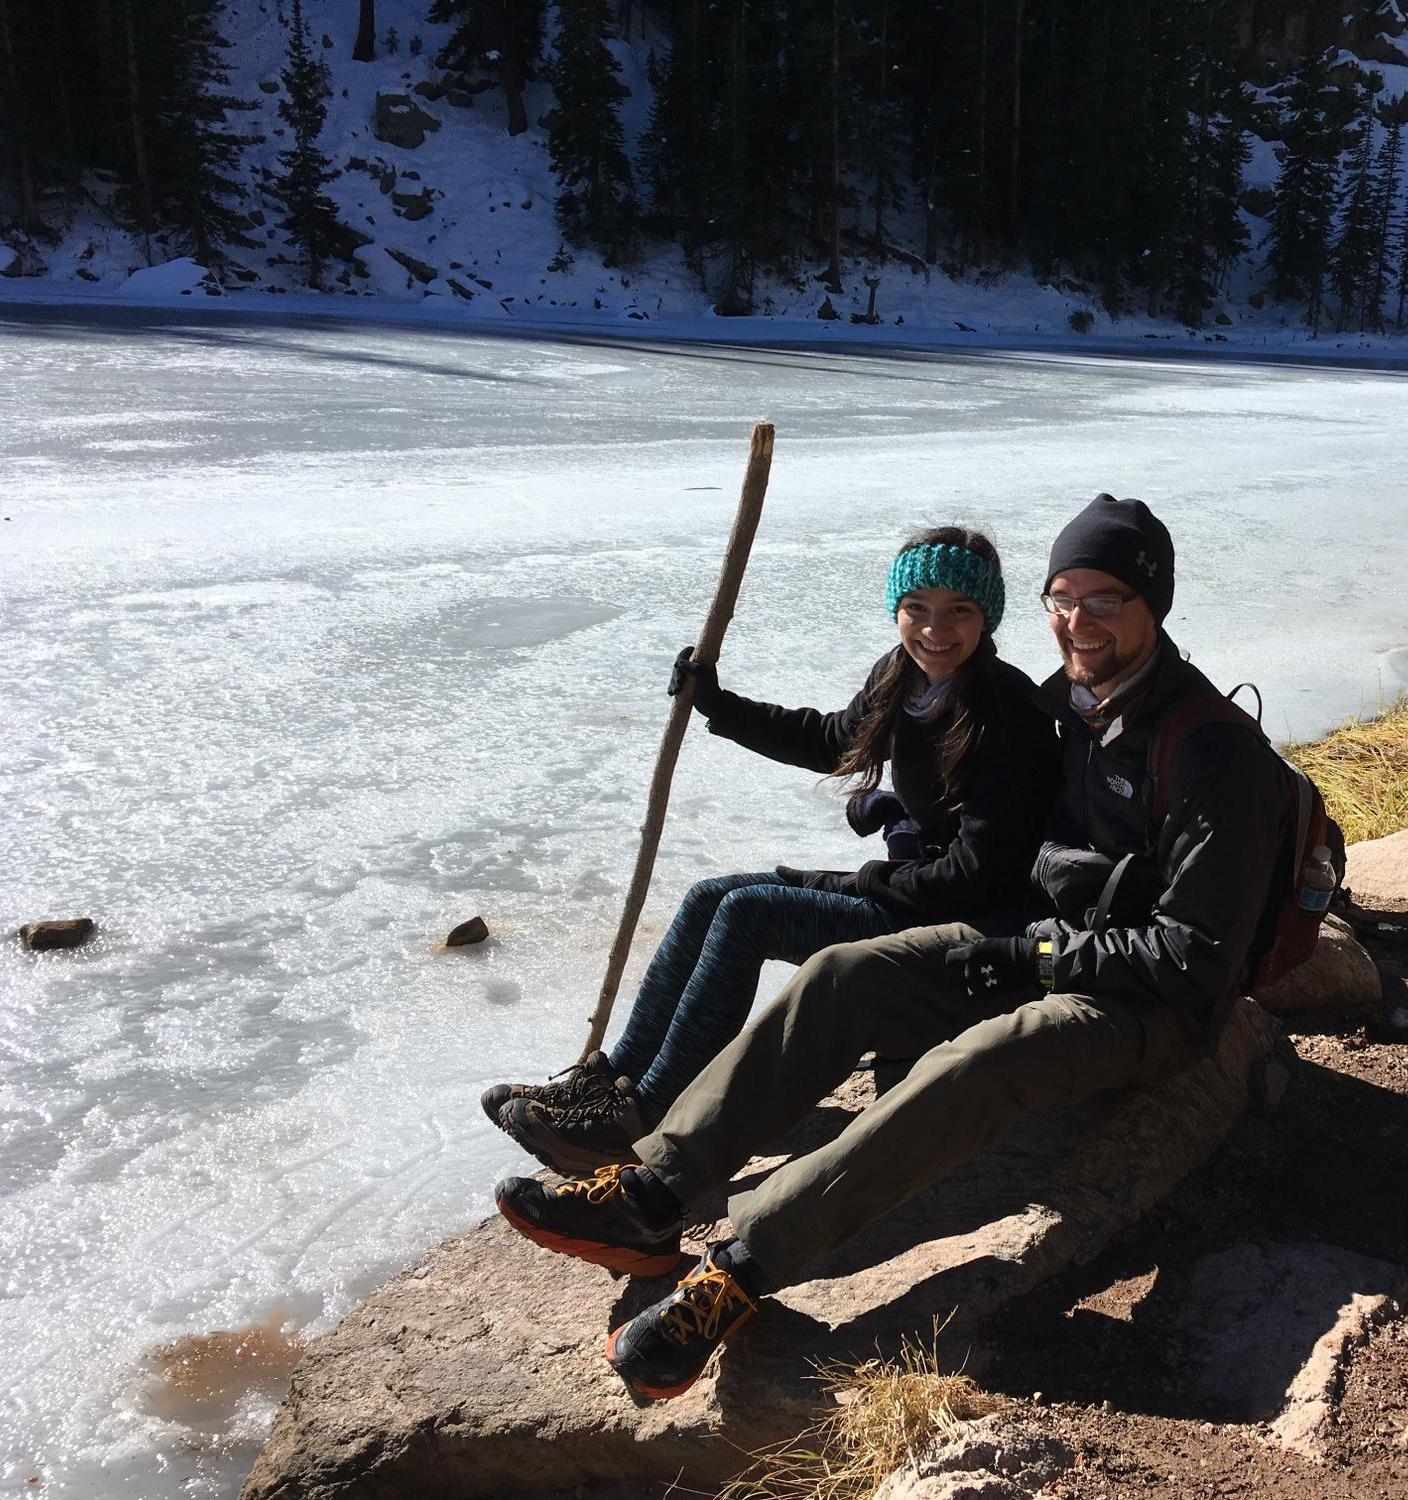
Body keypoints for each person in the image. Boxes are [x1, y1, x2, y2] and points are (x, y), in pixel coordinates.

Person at [494, 493, 1295, 1404]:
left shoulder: (1208, 752)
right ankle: (651, 1193)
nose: (1079, 621)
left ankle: (741, 1269)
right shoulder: (1064, 707)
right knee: (845, 974)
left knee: (987, 1057)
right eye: (1062, 597)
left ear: (1155, 603)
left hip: (1143, 1003)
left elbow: (1193, 959)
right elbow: (915, 783)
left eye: (1106, 597)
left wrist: (1031, 962)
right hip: (1042, 942)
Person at [481, 526, 1061, 1178]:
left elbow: (977, 877)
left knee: (750, 913)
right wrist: (718, 706)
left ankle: (643, 1116)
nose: (935, 628)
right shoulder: (901, 679)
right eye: (916, 608)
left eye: (959, 609)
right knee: (710, 896)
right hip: (921, 885)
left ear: (987, 614)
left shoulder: (1008, 712)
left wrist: (854, 882)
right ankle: (608, 1082)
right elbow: (830, 740)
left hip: (967, 923)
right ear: (896, 610)